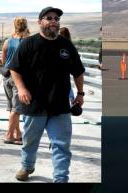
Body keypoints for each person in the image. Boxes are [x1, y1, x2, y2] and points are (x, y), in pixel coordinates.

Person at [9, 6, 85, 183]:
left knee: (61, 145)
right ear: (40, 22)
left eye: (56, 19)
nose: (53, 21)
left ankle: (61, 178)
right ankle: (27, 166)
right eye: (49, 18)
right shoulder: (28, 44)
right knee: (30, 141)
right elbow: (14, 68)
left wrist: (80, 93)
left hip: (60, 106)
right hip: (34, 104)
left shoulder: (66, 45)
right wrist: (21, 89)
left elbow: (78, 71)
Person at [1, 17, 28, 145]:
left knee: (13, 108)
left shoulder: (8, 41)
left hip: (6, 76)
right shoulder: (28, 41)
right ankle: (9, 135)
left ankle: (18, 134)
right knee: (16, 109)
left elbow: (3, 60)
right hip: (19, 77)